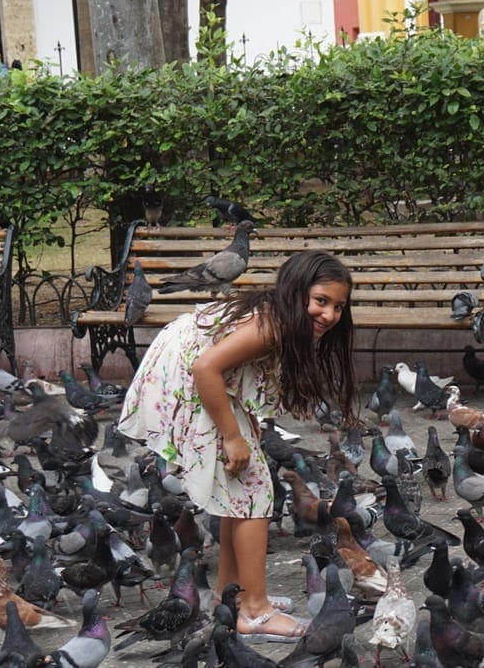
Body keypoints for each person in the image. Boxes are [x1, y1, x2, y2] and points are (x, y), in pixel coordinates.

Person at [118, 250, 357, 641]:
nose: (329, 315)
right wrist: (231, 436)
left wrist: (244, 426)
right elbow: (205, 369)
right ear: (297, 293)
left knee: (238, 493)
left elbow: (227, 370)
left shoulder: (279, 318)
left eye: (338, 307)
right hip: (188, 380)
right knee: (254, 491)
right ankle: (254, 611)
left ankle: (230, 596)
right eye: (321, 301)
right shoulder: (272, 327)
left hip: (198, 378)